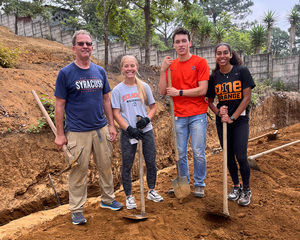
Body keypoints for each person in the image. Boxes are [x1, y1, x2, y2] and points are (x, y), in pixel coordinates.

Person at [54, 30, 123, 225]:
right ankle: (76, 210)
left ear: (92, 47)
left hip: (100, 128)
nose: (85, 47)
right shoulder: (65, 73)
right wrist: (60, 134)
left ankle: (108, 200)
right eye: (81, 44)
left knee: (106, 166)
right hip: (77, 131)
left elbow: (106, 99)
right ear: (74, 48)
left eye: (88, 44)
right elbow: (59, 105)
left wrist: (111, 125)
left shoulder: (99, 71)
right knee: (78, 171)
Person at [159, 27, 210, 198]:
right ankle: (183, 182)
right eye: (177, 42)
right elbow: (162, 91)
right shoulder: (170, 66)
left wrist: (179, 92)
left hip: (197, 115)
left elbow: (202, 90)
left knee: (198, 151)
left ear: (190, 43)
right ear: (173, 45)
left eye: (183, 41)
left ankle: (199, 183)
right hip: (178, 115)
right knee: (180, 152)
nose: (181, 45)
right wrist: (162, 70)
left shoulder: (200, 62)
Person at [206, 43, 256, 206]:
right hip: (223, 122)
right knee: (228, 156)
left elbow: (246, 98)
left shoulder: (241, 71)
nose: (222, 56)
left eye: (225, 53)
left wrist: (232, 118)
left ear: (230, 55)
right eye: (218, 53)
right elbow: (210, 102)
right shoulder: (214, 77)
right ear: (215, 56)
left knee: (241, 156)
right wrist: (219, 113)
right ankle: (236, 186)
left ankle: (246, 190)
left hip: (239, 120)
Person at [111, 55, 163, 210]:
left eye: (132, 66)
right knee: (127, 164)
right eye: (126, 66)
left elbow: (153, 107)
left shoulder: (144, 86)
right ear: (122, 68)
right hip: (128, 133)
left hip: (146, 131)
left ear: (137, 67)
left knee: (151, 161)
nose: (129, 69)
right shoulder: (118, 90)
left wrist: (147, 119)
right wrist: (129, 128)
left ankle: (151, 190)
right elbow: (116, 113)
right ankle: (129, 196)